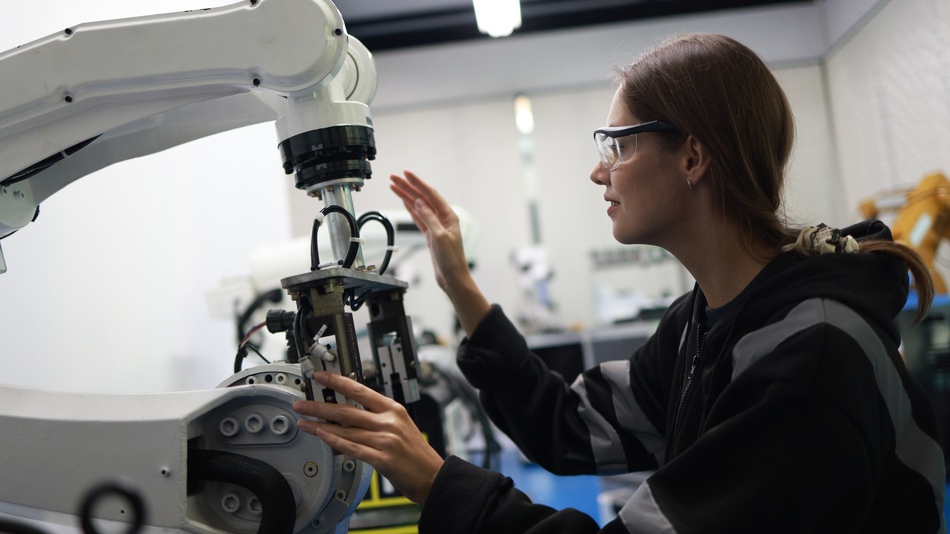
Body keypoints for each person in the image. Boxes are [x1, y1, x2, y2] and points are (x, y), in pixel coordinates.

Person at [293, 33, 947, 533]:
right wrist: (460, 284)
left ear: (692, 156)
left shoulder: (807, 359)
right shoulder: (712, 320)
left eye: (618, 146)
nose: (598, 173)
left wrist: (438, 482)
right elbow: (572, 426)